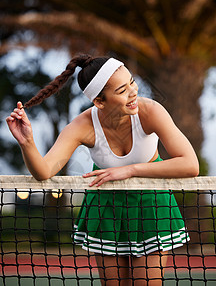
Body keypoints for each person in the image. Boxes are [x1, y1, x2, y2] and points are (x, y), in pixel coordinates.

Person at [6, 54, 199, 285]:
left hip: (151, 203)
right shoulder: (81, 126)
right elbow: (44, 171)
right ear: (99, 101)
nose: (133, 92)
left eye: (132, 82)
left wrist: (130, 171)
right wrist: (27, 142)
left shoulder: (151, 112)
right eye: (121, 90)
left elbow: (190, 164)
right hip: (106, 207)